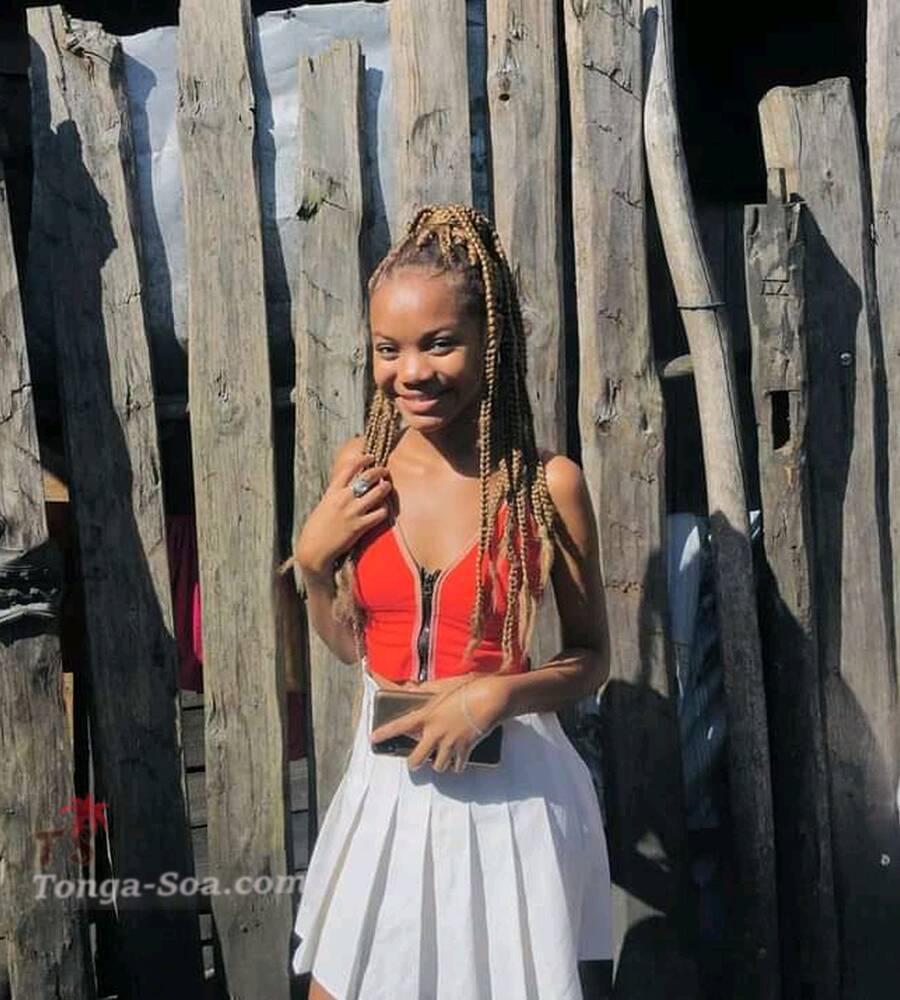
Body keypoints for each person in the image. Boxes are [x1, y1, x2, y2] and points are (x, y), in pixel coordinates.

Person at [290, 205, 612, 999]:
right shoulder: (362, 470)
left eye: (439, 343)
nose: (411, 372)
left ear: (489, 341)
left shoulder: (546, 486)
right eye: (388, 348)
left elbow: (591, 659)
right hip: (387, 792)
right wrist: (314, 565)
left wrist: (495, 694)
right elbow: (351, 648)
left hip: (511, 801)